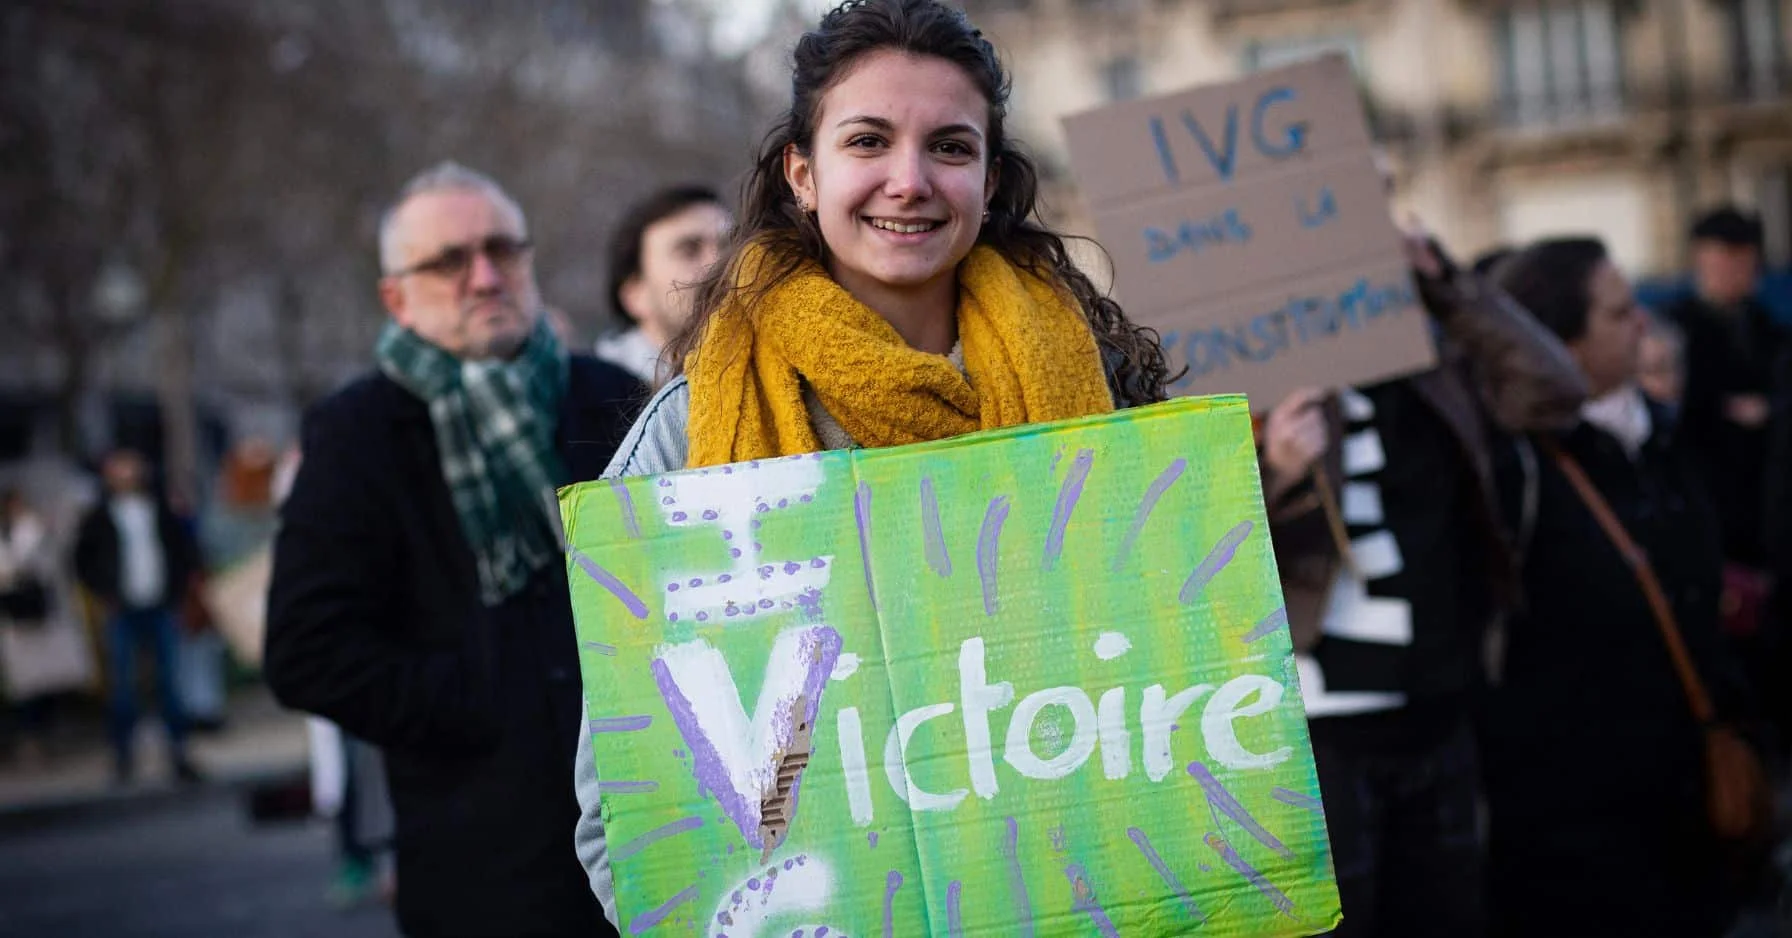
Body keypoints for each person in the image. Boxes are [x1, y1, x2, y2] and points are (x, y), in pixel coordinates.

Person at [568, 0, 1171, 923]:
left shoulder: (1104, 393)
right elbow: (627, 807)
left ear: (993, 179)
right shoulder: (683, 441)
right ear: (802, 174)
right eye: (868, 141)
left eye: (951, 148)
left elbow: (1185, 681)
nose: (909, 179)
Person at [265, 162, 644, 938]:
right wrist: (489, 699)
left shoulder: (608, 392)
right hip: (480, 859)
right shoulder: (357, 432)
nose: (485, 276)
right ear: (395, 298)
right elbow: (305, 650)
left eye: (504, 249)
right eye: (448, 261)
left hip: (650, 828)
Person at [1256, 239, 1588, 932]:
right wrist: (1277, 471)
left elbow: (1553, 391)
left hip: (1441, 708)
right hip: (1321, 735)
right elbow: (1190, 536)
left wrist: (1448, 282)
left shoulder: (1431, 358)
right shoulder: (1256, 367)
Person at [1482, 237, 1753, 937]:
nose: (1642, 323)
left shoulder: (1664, 437)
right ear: (1560, 341)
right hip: (1572, 833)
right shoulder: (1517, 467)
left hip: (1685, 806)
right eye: (1617, 312)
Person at [73, 449, 202, 784]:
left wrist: (177, 591)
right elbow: (81, 560)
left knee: (170, 684)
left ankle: (179, 753)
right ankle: (122, 758)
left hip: (159, 606)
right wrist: (105, 593)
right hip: (122, 609)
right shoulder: (100, 516)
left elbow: (185, 551)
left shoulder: (159, 510)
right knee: (123, 688)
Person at [594, 185, 730, 386]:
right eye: (689, 250)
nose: (720, 263)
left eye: (728, 244)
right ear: (635, 296)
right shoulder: (592, 403)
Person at [0, 487, 94, 767]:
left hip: (43, 615)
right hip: (15, 619)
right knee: (26, 685)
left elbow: (52, 564)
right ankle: (30, 737)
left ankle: (42, 735)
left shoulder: (39, 530)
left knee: (48, 679)